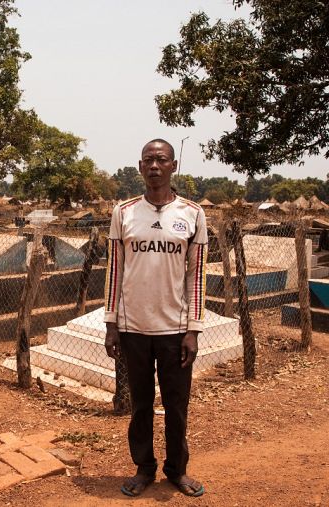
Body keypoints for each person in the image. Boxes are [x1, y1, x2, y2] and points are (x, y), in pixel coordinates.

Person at [104, 138, 207, 498]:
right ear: (140, 166)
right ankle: (144, 468)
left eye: (161, 160)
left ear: (173, 166)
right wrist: (111, 324)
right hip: (133, 329)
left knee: (177, 406)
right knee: (141, 405)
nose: (154, 166)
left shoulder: (192, 214)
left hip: (175, 331)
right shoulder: (124, 212)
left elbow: (196, 276)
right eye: (148, 160)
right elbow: (115, 272)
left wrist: (194, 329)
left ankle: (177, 470)